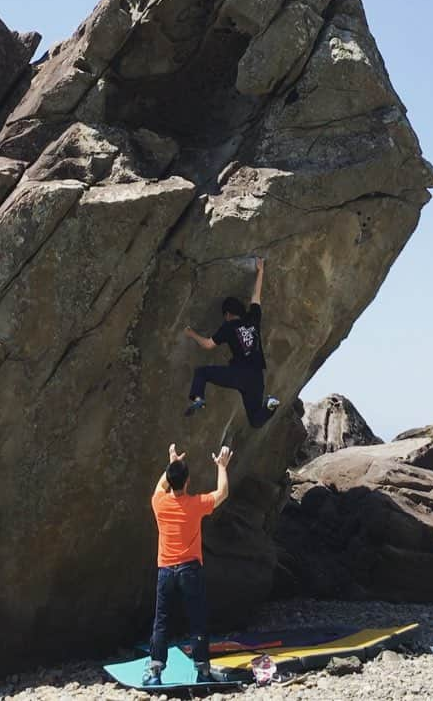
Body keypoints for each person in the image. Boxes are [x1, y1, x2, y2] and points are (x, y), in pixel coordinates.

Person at [144, 442, 233, 686]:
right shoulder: (195, 505)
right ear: (188, 481)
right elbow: (222, 492)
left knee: (161, 621)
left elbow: (161, 485)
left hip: (165, 571)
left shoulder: (159, 503)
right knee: (197, 620)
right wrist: (222, 466)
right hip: (189, 570)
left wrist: (172, 462)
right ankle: (203, 671)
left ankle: (155, 673)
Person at [183, 257, 279, 428]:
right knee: (256, 421)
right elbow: (256, 296)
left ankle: (198, 398)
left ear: (227, 314)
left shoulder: (228, 327)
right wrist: (261, 271)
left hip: (239, 374)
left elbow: (207, 345)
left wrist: (191, 334)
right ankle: (271, 405)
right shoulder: (253, 318)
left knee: (202, 372)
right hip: (257, 378)